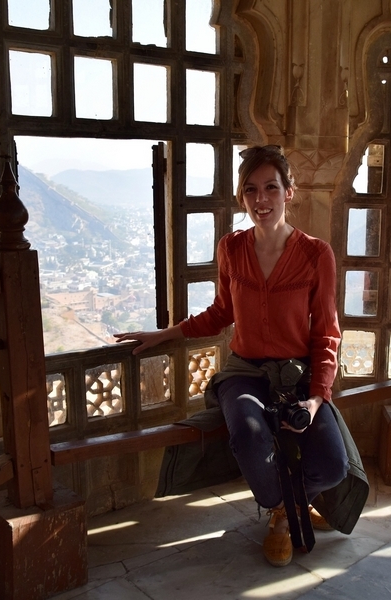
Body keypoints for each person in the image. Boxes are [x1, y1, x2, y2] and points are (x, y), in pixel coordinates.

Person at [114, 144, 348, 567]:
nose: (261, 199)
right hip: (244, 372)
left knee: (333, 466)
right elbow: (222, 312)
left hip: (297, 374)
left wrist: (316, 398)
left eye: (271, 187)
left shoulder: (316, 254)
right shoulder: (231, 248)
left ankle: (286, 510)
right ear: (242, 197)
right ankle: (285, 511)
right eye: (251, 190)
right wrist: (164, 334)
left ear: (289, 191)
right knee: (248, 435)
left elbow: (326, 332)